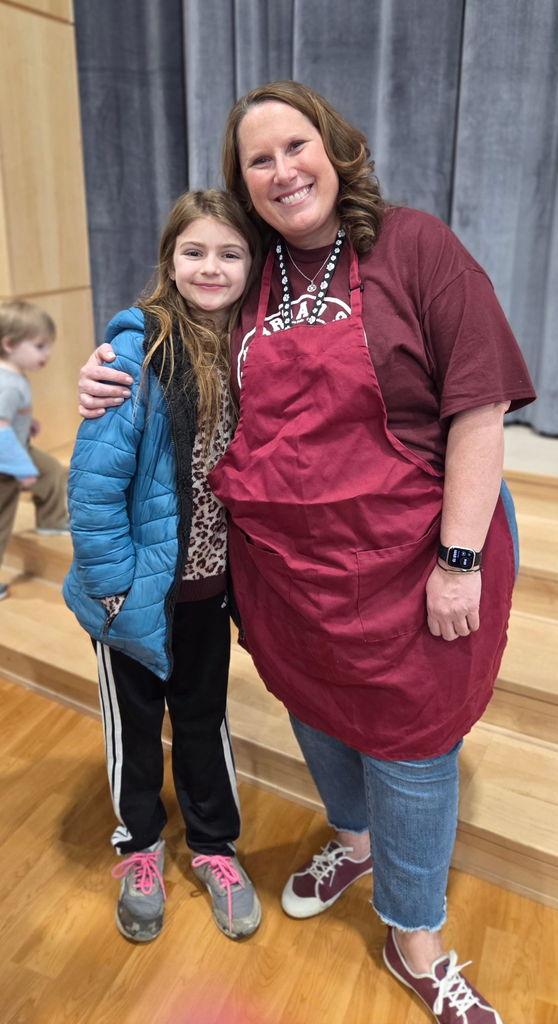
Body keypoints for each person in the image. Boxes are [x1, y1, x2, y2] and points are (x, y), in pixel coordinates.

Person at [77, 83, 535, 1020]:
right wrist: (106, 367)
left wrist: (459, 560)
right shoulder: (253, 275)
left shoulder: (414, 248)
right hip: (287, 574)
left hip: (410, 561)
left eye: (297, 146)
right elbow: (171, 331)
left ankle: (416, 938)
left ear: (334, 148)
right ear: (241, 183)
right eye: (259, 159)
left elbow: (478, 405)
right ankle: (353, 839)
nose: (283, 170)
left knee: (411, 748)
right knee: (317, 716)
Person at [63, 189, 263, 944]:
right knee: (137, 726)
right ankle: (141, 846)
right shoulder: (137, 345)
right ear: (170, 261)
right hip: (131, 595)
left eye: (230, 252)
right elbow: (93, 485)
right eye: (195, 251)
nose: (211, 266)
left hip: (208, 588)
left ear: (251, 264)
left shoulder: (250, 346)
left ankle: (213, 847)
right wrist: (113, 590)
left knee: (205, 720)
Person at [0, 301, 69, 600]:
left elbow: (9, 418)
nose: (47, 354)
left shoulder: (14, 376)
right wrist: (22, 469)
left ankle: (51, 522)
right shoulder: (8, 385)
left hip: (17, 448)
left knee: (52, 471)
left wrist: (27, 424)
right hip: (5, 464)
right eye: (40, 346)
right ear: (9, 344)